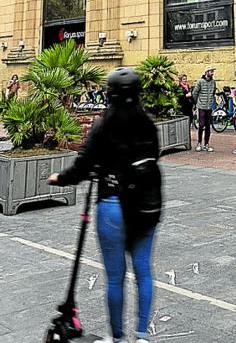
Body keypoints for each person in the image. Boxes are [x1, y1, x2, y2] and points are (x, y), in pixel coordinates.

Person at [49, 68, 162, 343]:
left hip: (113, 205)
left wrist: (60, 179)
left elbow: (83, 165)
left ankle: (119, 338)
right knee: (143, 271)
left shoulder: (103, 125)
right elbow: (153, 155)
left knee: (115, 278)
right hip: (147, 205)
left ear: (109, 95)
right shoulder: (148, 124)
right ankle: (142, 335)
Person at [192, 65, 217, 152]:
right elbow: (195, 93)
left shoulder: (213, 82)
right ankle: (199, 143)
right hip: (201, 106)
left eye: (212, 71)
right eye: (211, 71)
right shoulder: (200, 81)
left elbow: (213, 92)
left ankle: (206, 143)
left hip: (209, 107)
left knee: (208, 126)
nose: (212, 73)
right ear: (206, 72)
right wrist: (196, 103)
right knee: (201, 125)